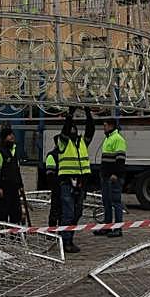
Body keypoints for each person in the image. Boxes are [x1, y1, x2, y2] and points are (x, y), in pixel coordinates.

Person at [56, 107, 95, 253]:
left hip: (80, 182)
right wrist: (70, 115)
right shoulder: (63, 142)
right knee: (68, 213)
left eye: (74, 128)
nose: (73, 131)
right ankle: (66, 241)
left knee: (77, 213)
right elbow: (65, 131)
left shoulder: (82, 143)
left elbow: (90, 130)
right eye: (71, 128)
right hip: (66, 182)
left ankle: (68, 237)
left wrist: (88, 113)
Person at [93, 119, 127, 237]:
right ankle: (107, 227)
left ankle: (118, 229)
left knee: (116, 202)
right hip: (106, 176)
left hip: (113, 178)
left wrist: (115, 174)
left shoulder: (118, 139)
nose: (104, 128)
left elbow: (120, 160)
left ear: (111, 126)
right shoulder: (109, 138)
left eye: (105, 125)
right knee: (106, 202)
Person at [0, 128, 23, 224]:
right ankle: (1, 236)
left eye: (12, 134)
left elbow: (17, 170)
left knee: (16, 213)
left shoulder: (13, 153)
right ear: (4, 138)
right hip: (3, 187)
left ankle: (14, 236)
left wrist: (20, 185)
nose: (12, 137)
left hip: (14, 187)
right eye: (9, 135)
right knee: (2, 213)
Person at [44, 134, 62, 228]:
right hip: (57, 186)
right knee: (55, 209)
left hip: (63, 186)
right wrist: (54, 187)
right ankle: (52, 228)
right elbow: (50, 174)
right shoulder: (52, 155)